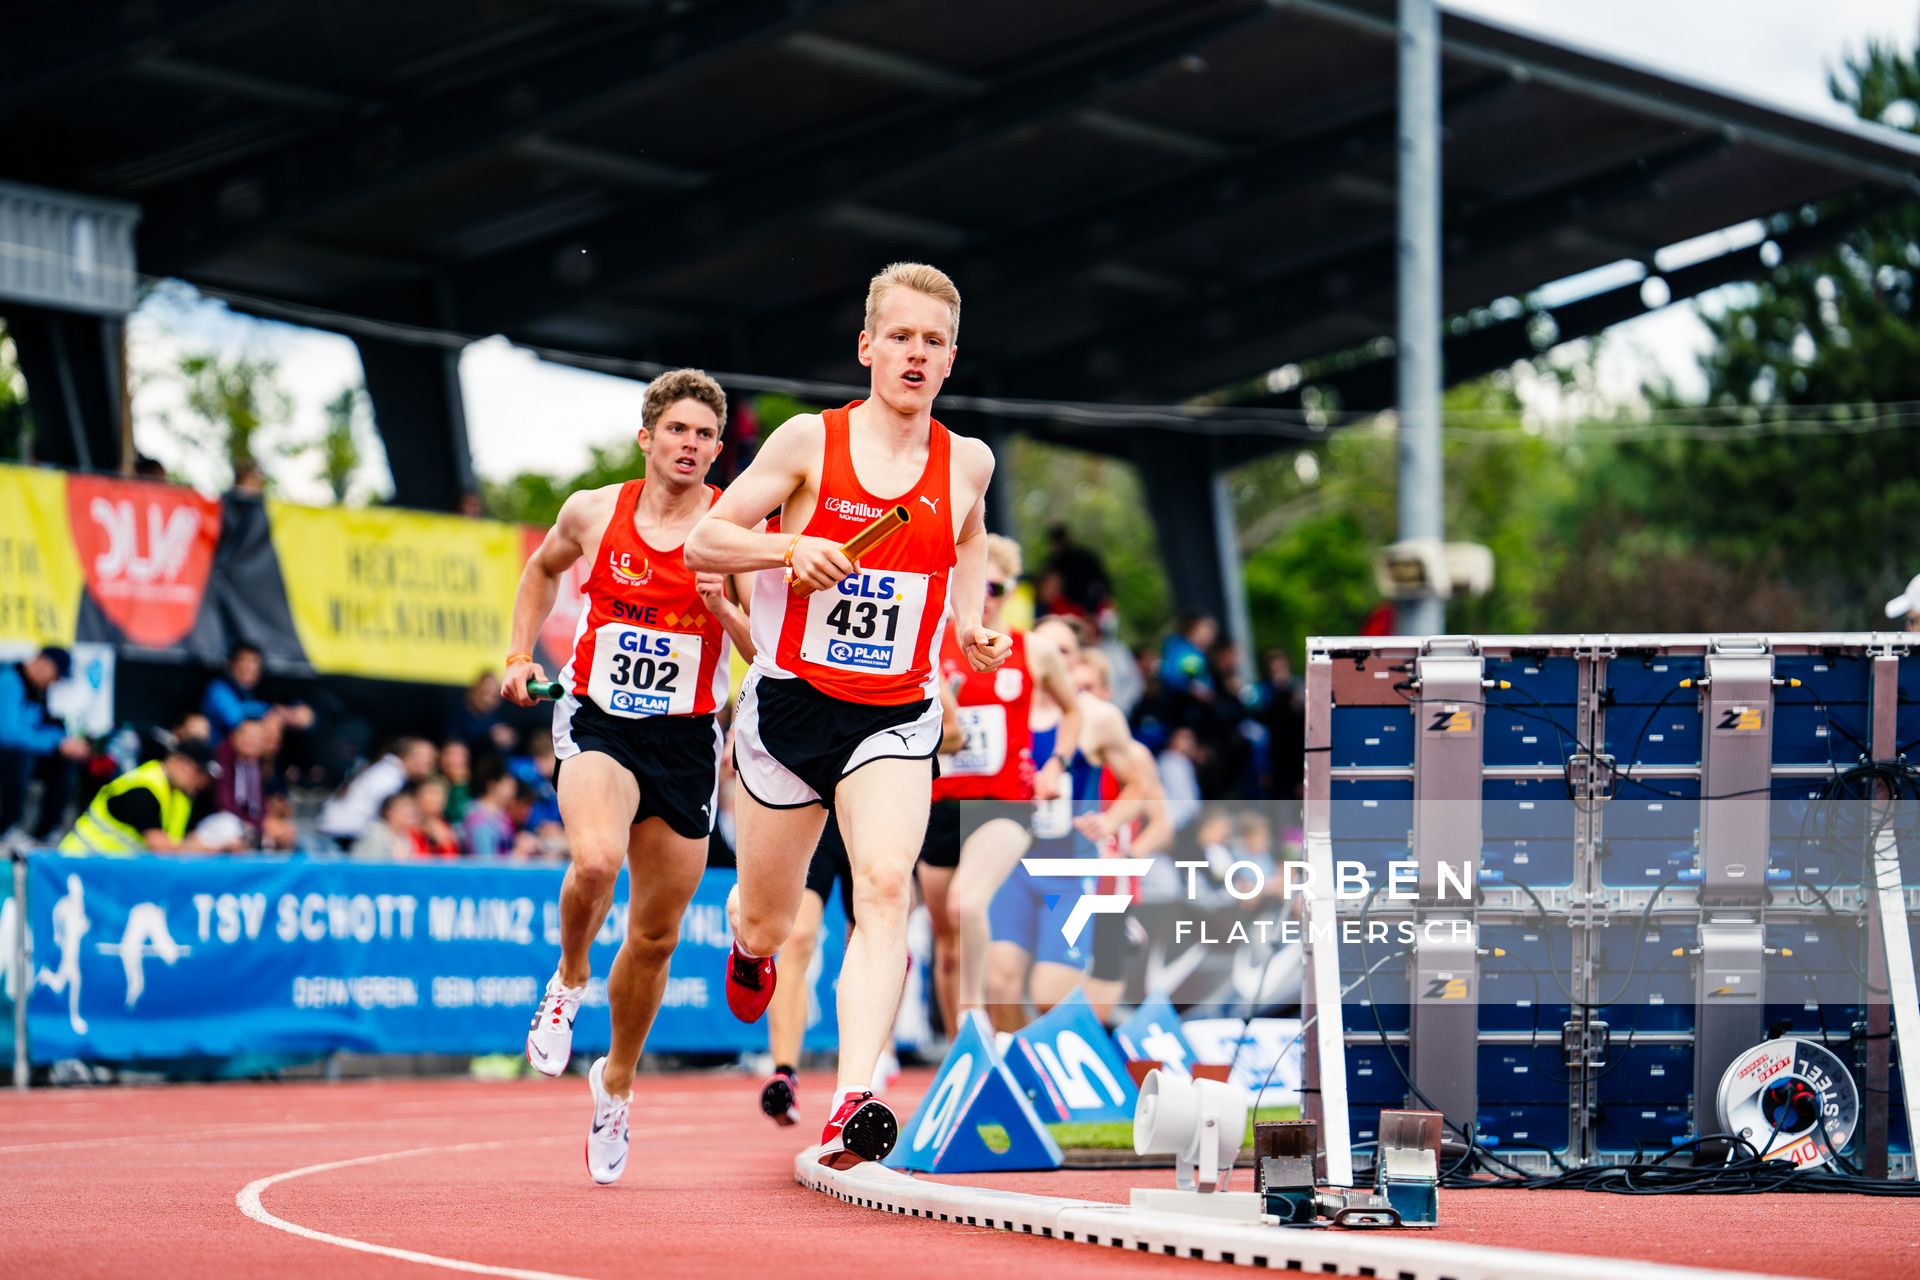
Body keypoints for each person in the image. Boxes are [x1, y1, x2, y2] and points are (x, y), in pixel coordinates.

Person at [687, 261, 1004, 1168]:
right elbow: (706, 538)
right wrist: (793, 547)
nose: (915, 354)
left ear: (950, 360)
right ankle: (749, 950)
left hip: (895, 717)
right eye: (899, 337)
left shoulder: (969, 461)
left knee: (884, 889)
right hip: (787, 711)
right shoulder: (808, 444)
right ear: (867, 347)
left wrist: (968, 623)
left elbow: (969, 531)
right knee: (769, 919)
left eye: (932, 341)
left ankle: (854, 1094)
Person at [503, 367, 752, 1186]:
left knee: (655, 938)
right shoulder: (593, 510)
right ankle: (568, 981)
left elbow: (763, 651)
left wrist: (724, 611)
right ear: (647, 438)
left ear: (719, 450)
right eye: (677, 430)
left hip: (685, 743)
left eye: (705, 435)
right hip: (599, 718)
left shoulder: (731, 528)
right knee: (596, 861)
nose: (691, 445)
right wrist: (517, 654)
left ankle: (615, 1086)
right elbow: (542, 570)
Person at [927, 535, 1081, 1034]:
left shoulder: (1033, 650)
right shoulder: (930, 645)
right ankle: (959, 1054)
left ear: (1010, 591)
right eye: (973, 582)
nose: (984, 594)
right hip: (939, 803)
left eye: (995, 585)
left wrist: (1056, 762)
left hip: (1004, 804)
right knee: (946, 944)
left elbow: (1073, 709)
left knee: (967, 903)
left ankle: (976, 1026)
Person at [979, 618, 1155, 1030]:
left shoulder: (1098, 718)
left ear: (1075, 661)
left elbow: (1138, 785)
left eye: (1064, 652)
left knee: (1048, 996)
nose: (1053, 659)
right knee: (998, 983)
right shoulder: (1005, 704)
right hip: (1012, 868)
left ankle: (1057, 1067)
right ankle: (1017, 1072)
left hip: (1070, 874)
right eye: (1046, 648)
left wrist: (1108, 820)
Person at [57, 740, 223, 855]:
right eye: (197, 772)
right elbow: (164, 850)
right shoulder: (143, 789)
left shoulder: (181, 796)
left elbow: (181, 841)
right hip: (77, 864)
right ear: (178, 762)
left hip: (106, 872)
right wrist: (218, 847)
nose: (201, 782)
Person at [0, 646, 88, 839]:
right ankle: (7, 826)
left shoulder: (38, 691)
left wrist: (65, 742)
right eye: (56, 674)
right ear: (43, 663)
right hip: (8, 757)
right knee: (19, 756)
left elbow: (43, 725)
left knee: (65, 762)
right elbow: (7, 734)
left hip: (21, 756)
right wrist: (55, 743)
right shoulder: (8, 681)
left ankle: (46, 831)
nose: (55, 682)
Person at [316, 737, 437, 848]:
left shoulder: (387, 770)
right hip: (344, 836)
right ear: (409, 756)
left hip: (343, 833)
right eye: (427, 757)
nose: (431, 762)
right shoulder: (389, 776)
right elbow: (389, 818)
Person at [201, 641, 313, 744]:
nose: (248, 667)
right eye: (243, 661)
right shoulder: (218, 688)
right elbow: (236, 719)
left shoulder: (260, 691)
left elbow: (302, 717)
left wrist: (292, 715)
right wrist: (273, 712)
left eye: (254, 662)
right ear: (231, 665)